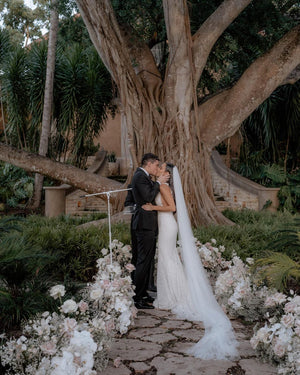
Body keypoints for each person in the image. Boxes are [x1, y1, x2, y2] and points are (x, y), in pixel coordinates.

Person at [142, 163, 239, 360]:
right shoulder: (160, 185)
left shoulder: (163, 186)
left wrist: (153, 206)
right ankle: (171, 294)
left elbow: (172, 207)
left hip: (168, 225)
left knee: (168, 259)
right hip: (166, 225)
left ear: (168, 174)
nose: (158, 168)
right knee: (168, 259)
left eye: (161, 167)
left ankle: (173, 297)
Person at [131, 153, 169, 310]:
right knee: (142, 261)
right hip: (144, 225)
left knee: (147, 261)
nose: (157, 168)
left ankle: (143, 293)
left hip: (148, 225)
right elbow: (148, 196)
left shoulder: (144, 177)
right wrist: (159, 183)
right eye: (156, 165)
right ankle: (137, 298)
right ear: (148, 164)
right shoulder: (140, 176)